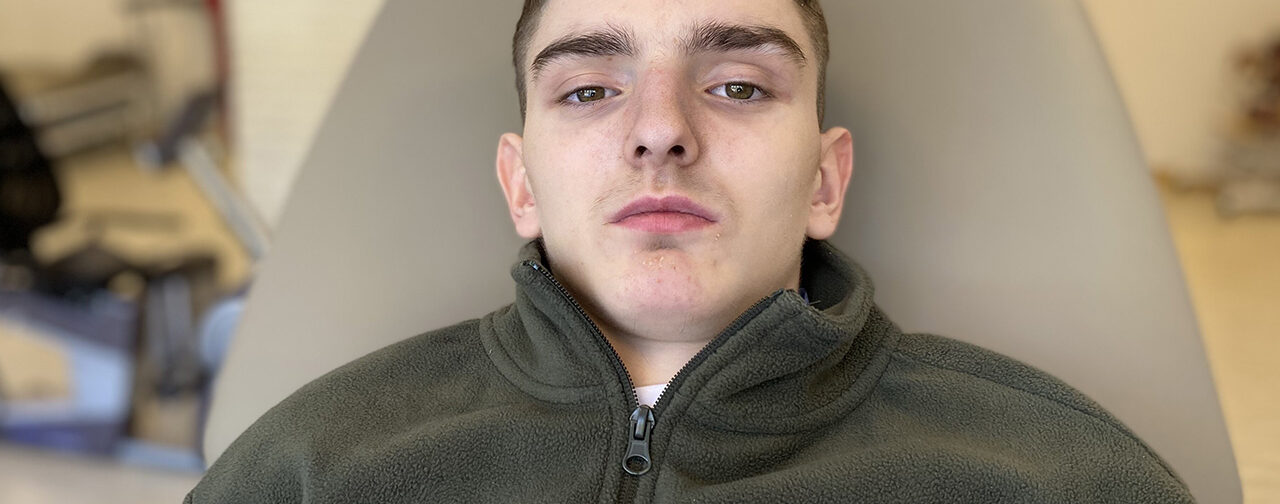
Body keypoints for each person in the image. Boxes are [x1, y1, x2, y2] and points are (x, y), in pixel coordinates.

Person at [185, 0, 1196, 502]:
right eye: (589, 89)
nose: (660, 129)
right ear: (521, 186)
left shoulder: (1055, 475)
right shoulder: (312, 464)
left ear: (825, 181)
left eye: (739, 85)